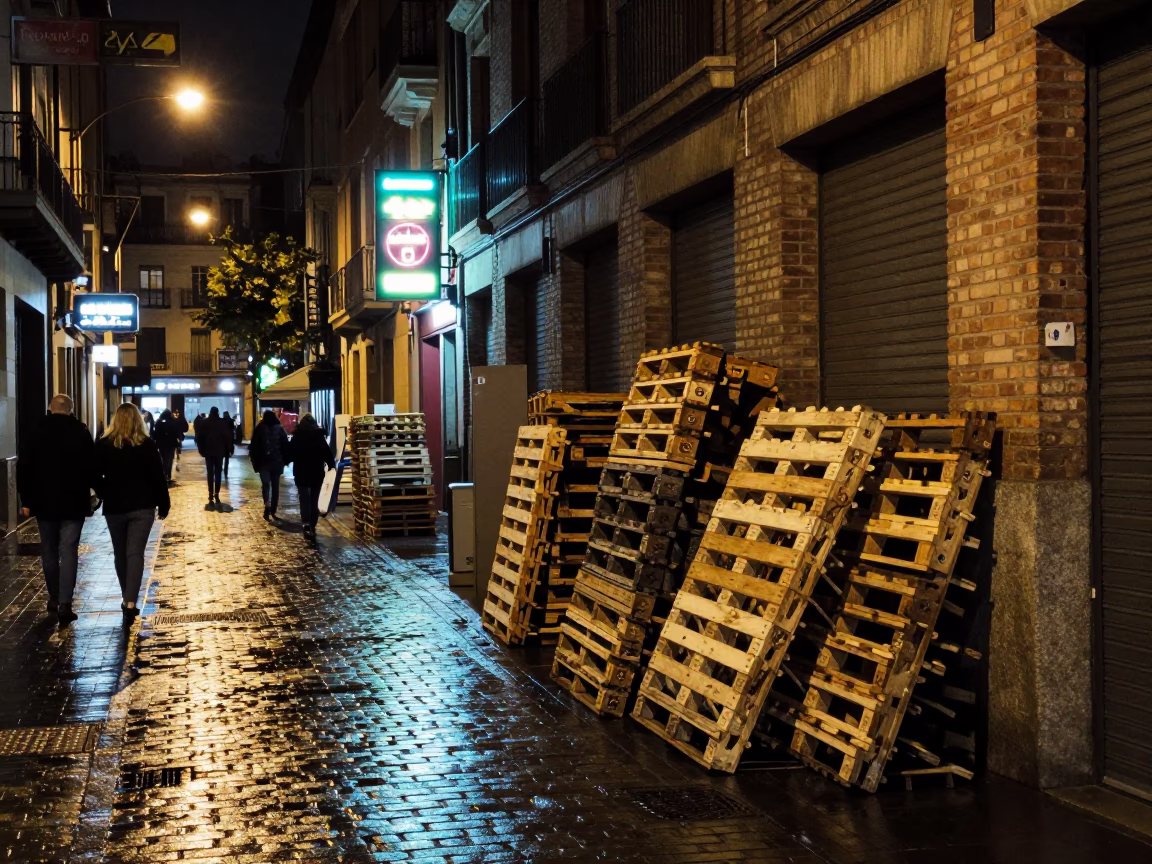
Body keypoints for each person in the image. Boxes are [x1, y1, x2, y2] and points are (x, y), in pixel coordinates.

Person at [16, 394, 95, 626]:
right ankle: (66, 604)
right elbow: (91, 465)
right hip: (73, 502)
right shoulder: (80, 432)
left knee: (49, 550)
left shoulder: (36, 431)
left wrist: (26, 499)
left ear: (50, 409)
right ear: (70, 410)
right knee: (69, 551)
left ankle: (53, 597)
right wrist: (95, 493)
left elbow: (24, 467)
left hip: (44, 502)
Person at [93, 403, 170, 621]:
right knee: (135, 553)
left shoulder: (104, 445)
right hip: (142, 506)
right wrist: (163, 503)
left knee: (120, 553)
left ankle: (127, 593)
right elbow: (158, 475)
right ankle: (130, 600)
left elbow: (93, 474)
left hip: (115, 506)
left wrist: (103, 491)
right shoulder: (147, 445)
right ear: (138, 420)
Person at [288, 413, 334, 540]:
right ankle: (312, 524)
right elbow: (326, 451)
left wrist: (286, 460)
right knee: (314, 499)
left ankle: (306, 523)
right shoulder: (318, 436)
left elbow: (290, 452)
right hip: (316, 472)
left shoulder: (297, 436)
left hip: (301, 471)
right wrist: (331, 464)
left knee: (304, 498)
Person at [250, 409, 290, 521]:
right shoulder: (280, 429)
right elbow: (285, 446)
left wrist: (255, 462)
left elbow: (254, 447)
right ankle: (273, 509)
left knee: (265, 484)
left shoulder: (259, 429)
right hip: (277, 462)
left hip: (264, 463)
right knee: (275, 486)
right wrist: (286, 460)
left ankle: (267, 503)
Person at [197, 407, 233, 509]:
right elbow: (227, 437)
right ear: (218, 413)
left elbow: (200, 437)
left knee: (210, 473)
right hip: (219, 452)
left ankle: (210, 494)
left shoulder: (204, 423)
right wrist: (229, 450)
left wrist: (201, 450)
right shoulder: (222, 423)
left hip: (208, 452)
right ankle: (216, 494)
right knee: (218, 473)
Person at [152, 409, 181, 485]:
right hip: (170, 444)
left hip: (161, 444)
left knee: (162, 458)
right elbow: (176, 432)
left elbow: (155, 432)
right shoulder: (172, 422)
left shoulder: (159, 421)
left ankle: (163, 474)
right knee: (169, 460)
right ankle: (167, 475)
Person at [221, 411, 236, 479]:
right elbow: (233, 430)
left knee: (221, 457)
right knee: (227, 458)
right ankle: (225, 471)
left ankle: (221, 468)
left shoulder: (222, 421)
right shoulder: (230, 421)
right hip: (228, 442)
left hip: (222, 443)